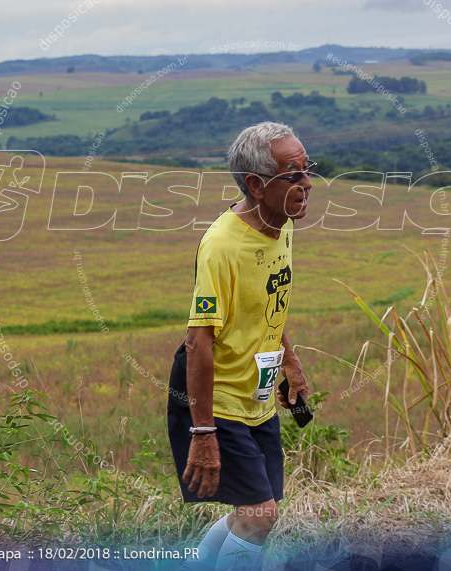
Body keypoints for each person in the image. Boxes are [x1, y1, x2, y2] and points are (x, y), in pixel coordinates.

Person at [167, 121, 314, 570]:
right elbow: (198, 342)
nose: (306, 183)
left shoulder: (281, 225)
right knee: (260, 515)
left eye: (308, 170)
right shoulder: (222, 245)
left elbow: (270, 304)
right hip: (217, 396)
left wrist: (291, 364)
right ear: (256, 184)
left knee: (255, 513)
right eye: (293, 174)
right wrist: (204, 431)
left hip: (258, 392)